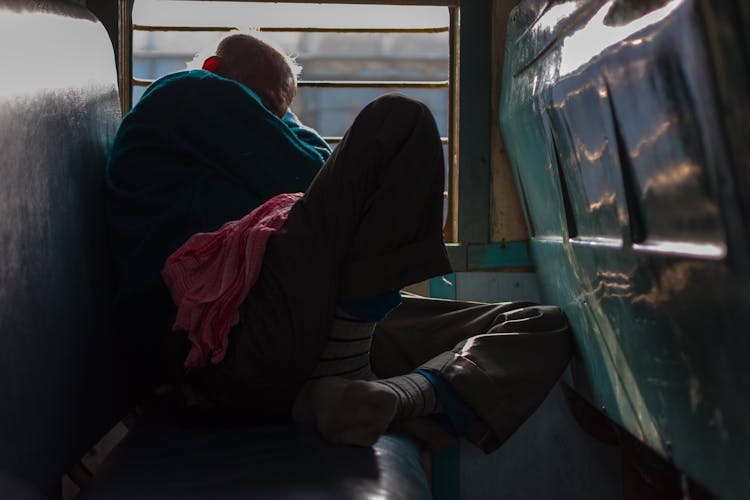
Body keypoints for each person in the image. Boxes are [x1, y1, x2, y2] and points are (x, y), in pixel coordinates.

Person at [106, 31, 571, 450]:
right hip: (220, 349)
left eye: (281, 115)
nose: (273, 122)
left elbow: (330, 189)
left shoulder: (223, 152)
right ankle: (350, 373)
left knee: (539, 324)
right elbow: (320, 176)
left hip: (295, 341)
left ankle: (383, 397)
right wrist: (288, 125)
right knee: (398, 121)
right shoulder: (186, 92)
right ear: (215, 71)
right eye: (266, 109)